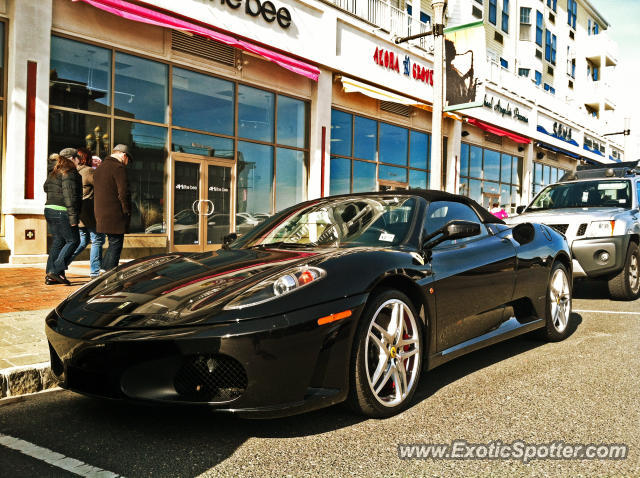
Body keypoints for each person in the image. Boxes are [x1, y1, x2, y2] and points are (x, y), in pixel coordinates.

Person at [43, 148, 82, 285]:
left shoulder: (54, 171)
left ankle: (51, 275)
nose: (79, 162)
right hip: (62, 211)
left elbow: (45, 187)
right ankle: (55, 270)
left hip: (50, 209)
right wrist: (73, 218)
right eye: (79, 159)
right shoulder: (69, 171)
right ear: (72, 158)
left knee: (59, 241)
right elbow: (70, 197)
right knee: (74, 240)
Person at [94, 144, 133, 271]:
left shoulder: (100, 168)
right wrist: (126, 211)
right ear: (124, 155)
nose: (127, 163)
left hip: (101, 213)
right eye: (128, 160)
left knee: (112, 244)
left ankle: (104, 270)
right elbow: (123, 192)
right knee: (116, 245)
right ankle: (108, 275)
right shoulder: (118, 167)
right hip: (115, 213)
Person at [69, 147, 105, 278]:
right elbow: (102, 186)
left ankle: (61, 264)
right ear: (87, 158)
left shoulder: (75, 171)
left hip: (79, 210)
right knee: (97, 240)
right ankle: (95, 272)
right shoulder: (88, 171)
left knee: (83, 241)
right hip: (89, 210)